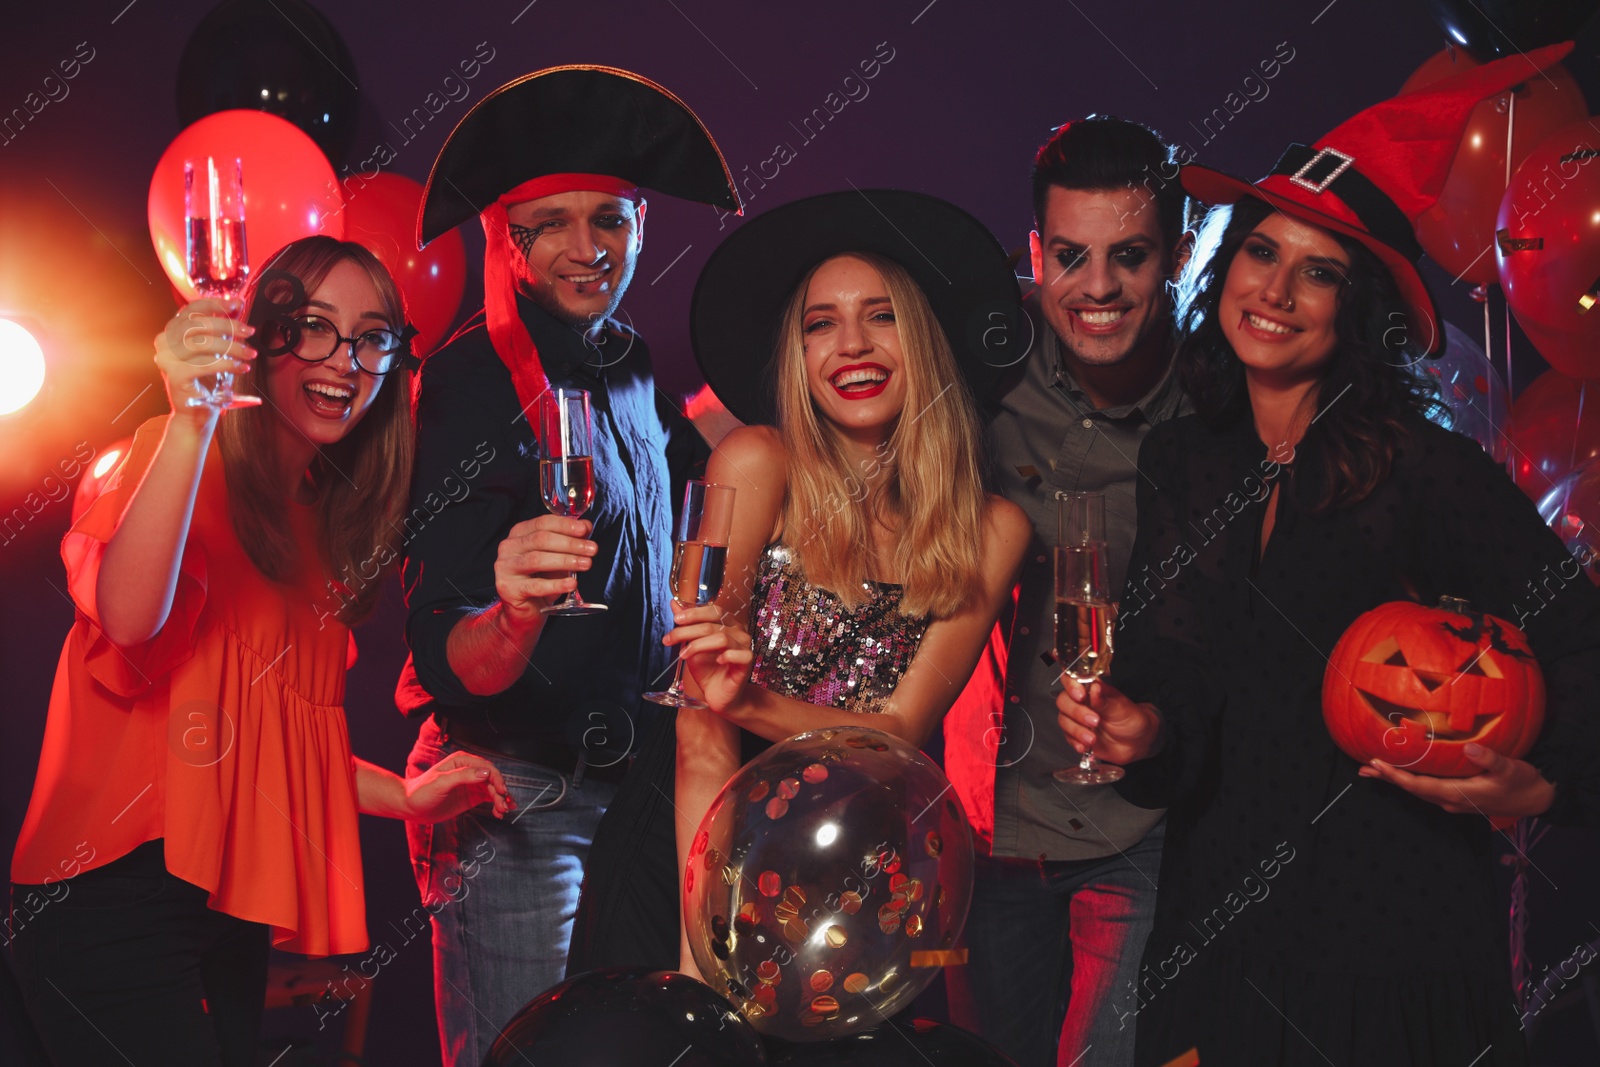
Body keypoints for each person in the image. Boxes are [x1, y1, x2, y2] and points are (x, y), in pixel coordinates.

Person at [1055, 44, 1600, 1065]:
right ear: (1227, 265)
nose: (1277, 290)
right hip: (1216, 923)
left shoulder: (1426, 469)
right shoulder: (1185, 456)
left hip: (1388, 930)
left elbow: (1583, 641)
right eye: (1262, 253)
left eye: (1319, 273)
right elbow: (1170, 659)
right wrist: (1139, 720)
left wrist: (1541, 780)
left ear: (1360, 312)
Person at [9, 235, 509, 1067]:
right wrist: (191, 417)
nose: (343, 360)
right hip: (108, 900)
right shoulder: (173, 455)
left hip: (220, 912)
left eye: (373, 336)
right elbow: (129, 619)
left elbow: (275, 742)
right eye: (313, 325)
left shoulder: (322, 529)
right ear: (262, 336)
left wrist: (410, 798)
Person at [399, 65, 739, 1066]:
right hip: (518, 792)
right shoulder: (469, 375)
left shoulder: (626, 359)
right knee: (524, 1055)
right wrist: (510, 607)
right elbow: (444, 640)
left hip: (634, 783)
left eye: (612, 221)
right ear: (508, 240)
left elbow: (706, 475)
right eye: (552, 223)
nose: (587, 247)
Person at [659, 189, 1033, 979]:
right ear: (797, 354)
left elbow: (897, 732)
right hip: (697, 852)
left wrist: (751, 698)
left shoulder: (994, 529)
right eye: (820, 323)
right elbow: (701, 722)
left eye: (882, 315)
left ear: (925, 340)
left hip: (855, 879)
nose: (851, 345)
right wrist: (704, 947)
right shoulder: (757, 464)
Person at [941, 115, 1191, 1067]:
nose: (1097, 288)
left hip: (1143, 825)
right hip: (990, 824)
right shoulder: (978, 374)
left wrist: (1159, 724)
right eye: (1072, 256)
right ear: (1036, 252)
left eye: (1128, 257)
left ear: (1174, 255)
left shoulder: (1215, 407)